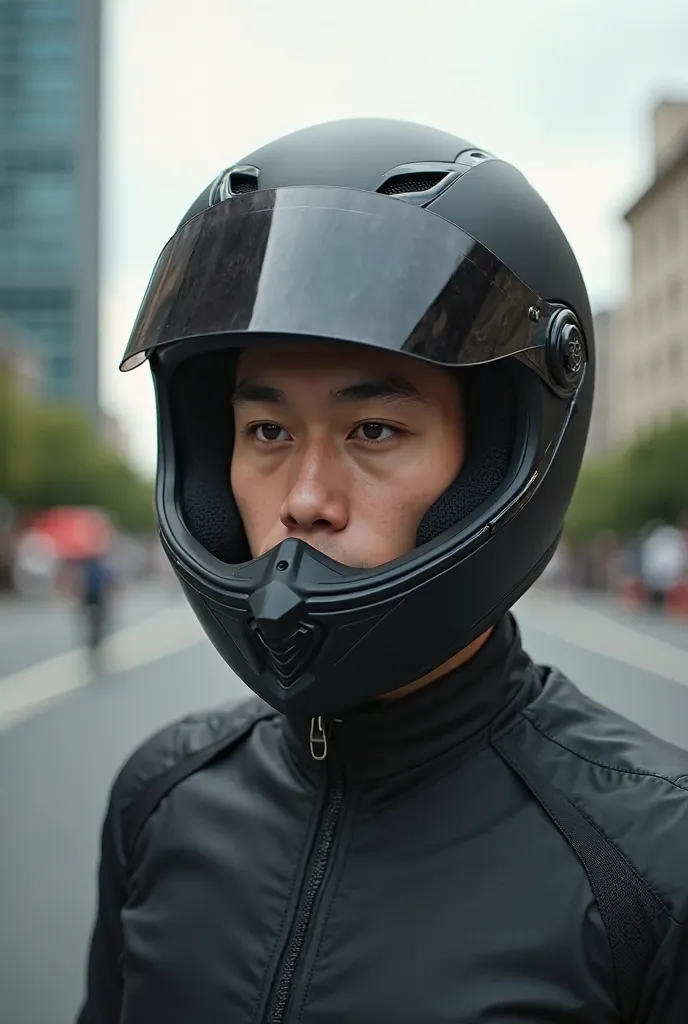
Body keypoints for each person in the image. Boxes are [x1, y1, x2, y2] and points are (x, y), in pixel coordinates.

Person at [77, 119, 688, 1023]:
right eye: (268, 432)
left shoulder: (656, 858)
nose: (306, 499)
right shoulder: (160, 800)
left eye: (375, 431)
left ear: (496, 463)